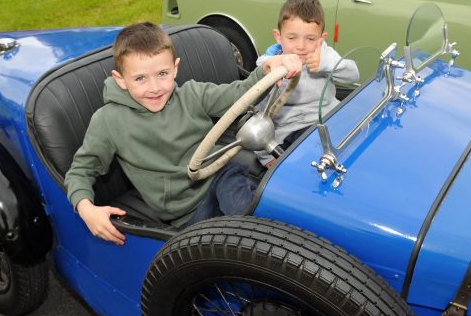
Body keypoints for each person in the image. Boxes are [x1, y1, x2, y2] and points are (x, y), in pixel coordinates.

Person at [64, 22, 301, 245]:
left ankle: (286, 245)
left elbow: (237, 94)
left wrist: (265, 70)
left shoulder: (192, 95)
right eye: (140, 79)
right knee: (215, 247)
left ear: (175, 68)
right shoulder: (108, 121)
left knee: (250, 215)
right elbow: (81, 170)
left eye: (162, 74)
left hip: (220, 176)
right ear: (121, 80)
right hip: (184, 212)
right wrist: (87, 209)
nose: (155, 87)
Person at [255, 0, 359, 167]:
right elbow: (259, 113)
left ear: (321, 39)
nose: (301, 46)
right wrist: (265, 157)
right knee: (320, 158)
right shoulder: (271, 68)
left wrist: (325, 64)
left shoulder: (324, 54)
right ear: (278, 37)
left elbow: (353, 75)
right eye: (292, 37)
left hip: (332, 116)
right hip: (295, 129)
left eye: (310, 39)